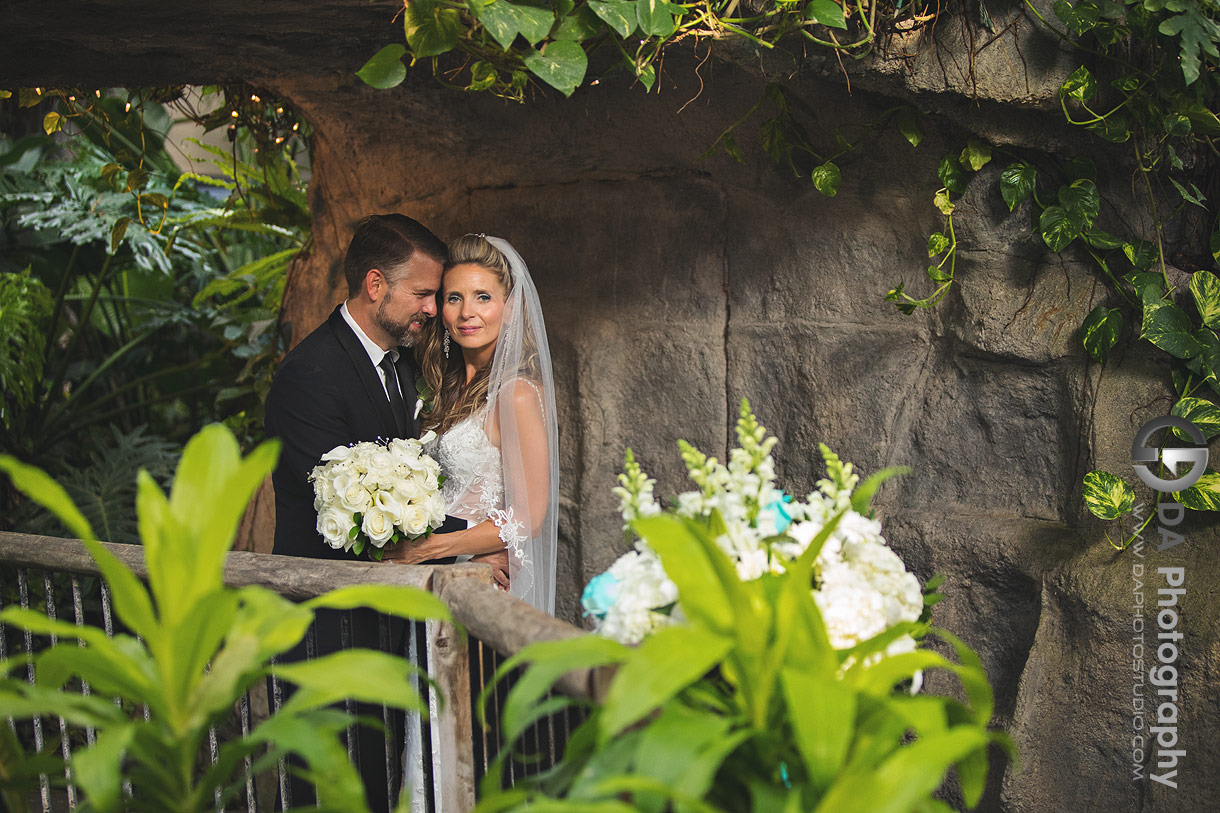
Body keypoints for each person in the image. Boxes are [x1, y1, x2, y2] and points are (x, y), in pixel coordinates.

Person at [263, 213, 452, 813]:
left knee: (378, 779)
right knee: (327, 787)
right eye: (423, 294)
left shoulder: (401, 363)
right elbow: (341, 508)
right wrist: (473, 539)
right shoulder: (308, 375)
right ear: (376, 286)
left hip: (383, 623)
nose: (433, 308)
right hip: (326, 626)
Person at [384, 234, 559, 616]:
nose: (467, 313)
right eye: (454, 298)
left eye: (483, 297)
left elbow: (528, 519)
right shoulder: (441, 388)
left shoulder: (516, 395)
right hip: (434, 581)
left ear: (510, 308)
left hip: (483, 587)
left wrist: (430, 548)